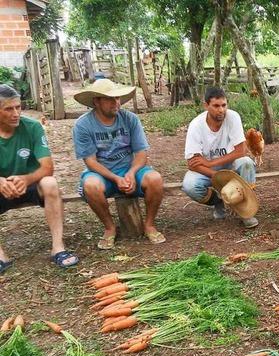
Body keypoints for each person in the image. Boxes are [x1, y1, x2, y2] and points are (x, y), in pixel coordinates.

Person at [72, 79, 165, 250]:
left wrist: (131, 173)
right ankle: (110, 227)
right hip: (102, 173)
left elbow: (141, 153)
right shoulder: (83, 125)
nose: (116, 102)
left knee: (155, 179)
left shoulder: (130, 119)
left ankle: (150, 225)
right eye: (110, 99)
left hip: (130, 169)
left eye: (117, 98)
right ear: (96, 102)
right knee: (90, 185)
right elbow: (90, 161)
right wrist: (116, 178)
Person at [0, 84, 79, 272]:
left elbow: (47, 167)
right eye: (9, 109)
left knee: (50, 183)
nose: (16, 113)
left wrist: (26, 179)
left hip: (29, 185)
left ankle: (58, 248)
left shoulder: (32, 127)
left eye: (18, 107)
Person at [182, 87, 259, 229]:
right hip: (207, 170)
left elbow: (241, 151)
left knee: (246, 163)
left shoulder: (233, 117)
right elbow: (192, 164)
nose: (221, 110)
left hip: (228, 164)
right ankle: (218, 201)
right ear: (206, 106)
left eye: (224, 105)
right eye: (216, 106)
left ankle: (246, 211)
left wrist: (211, 162)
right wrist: (217, 175)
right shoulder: (196, 125)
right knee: (190, 185)